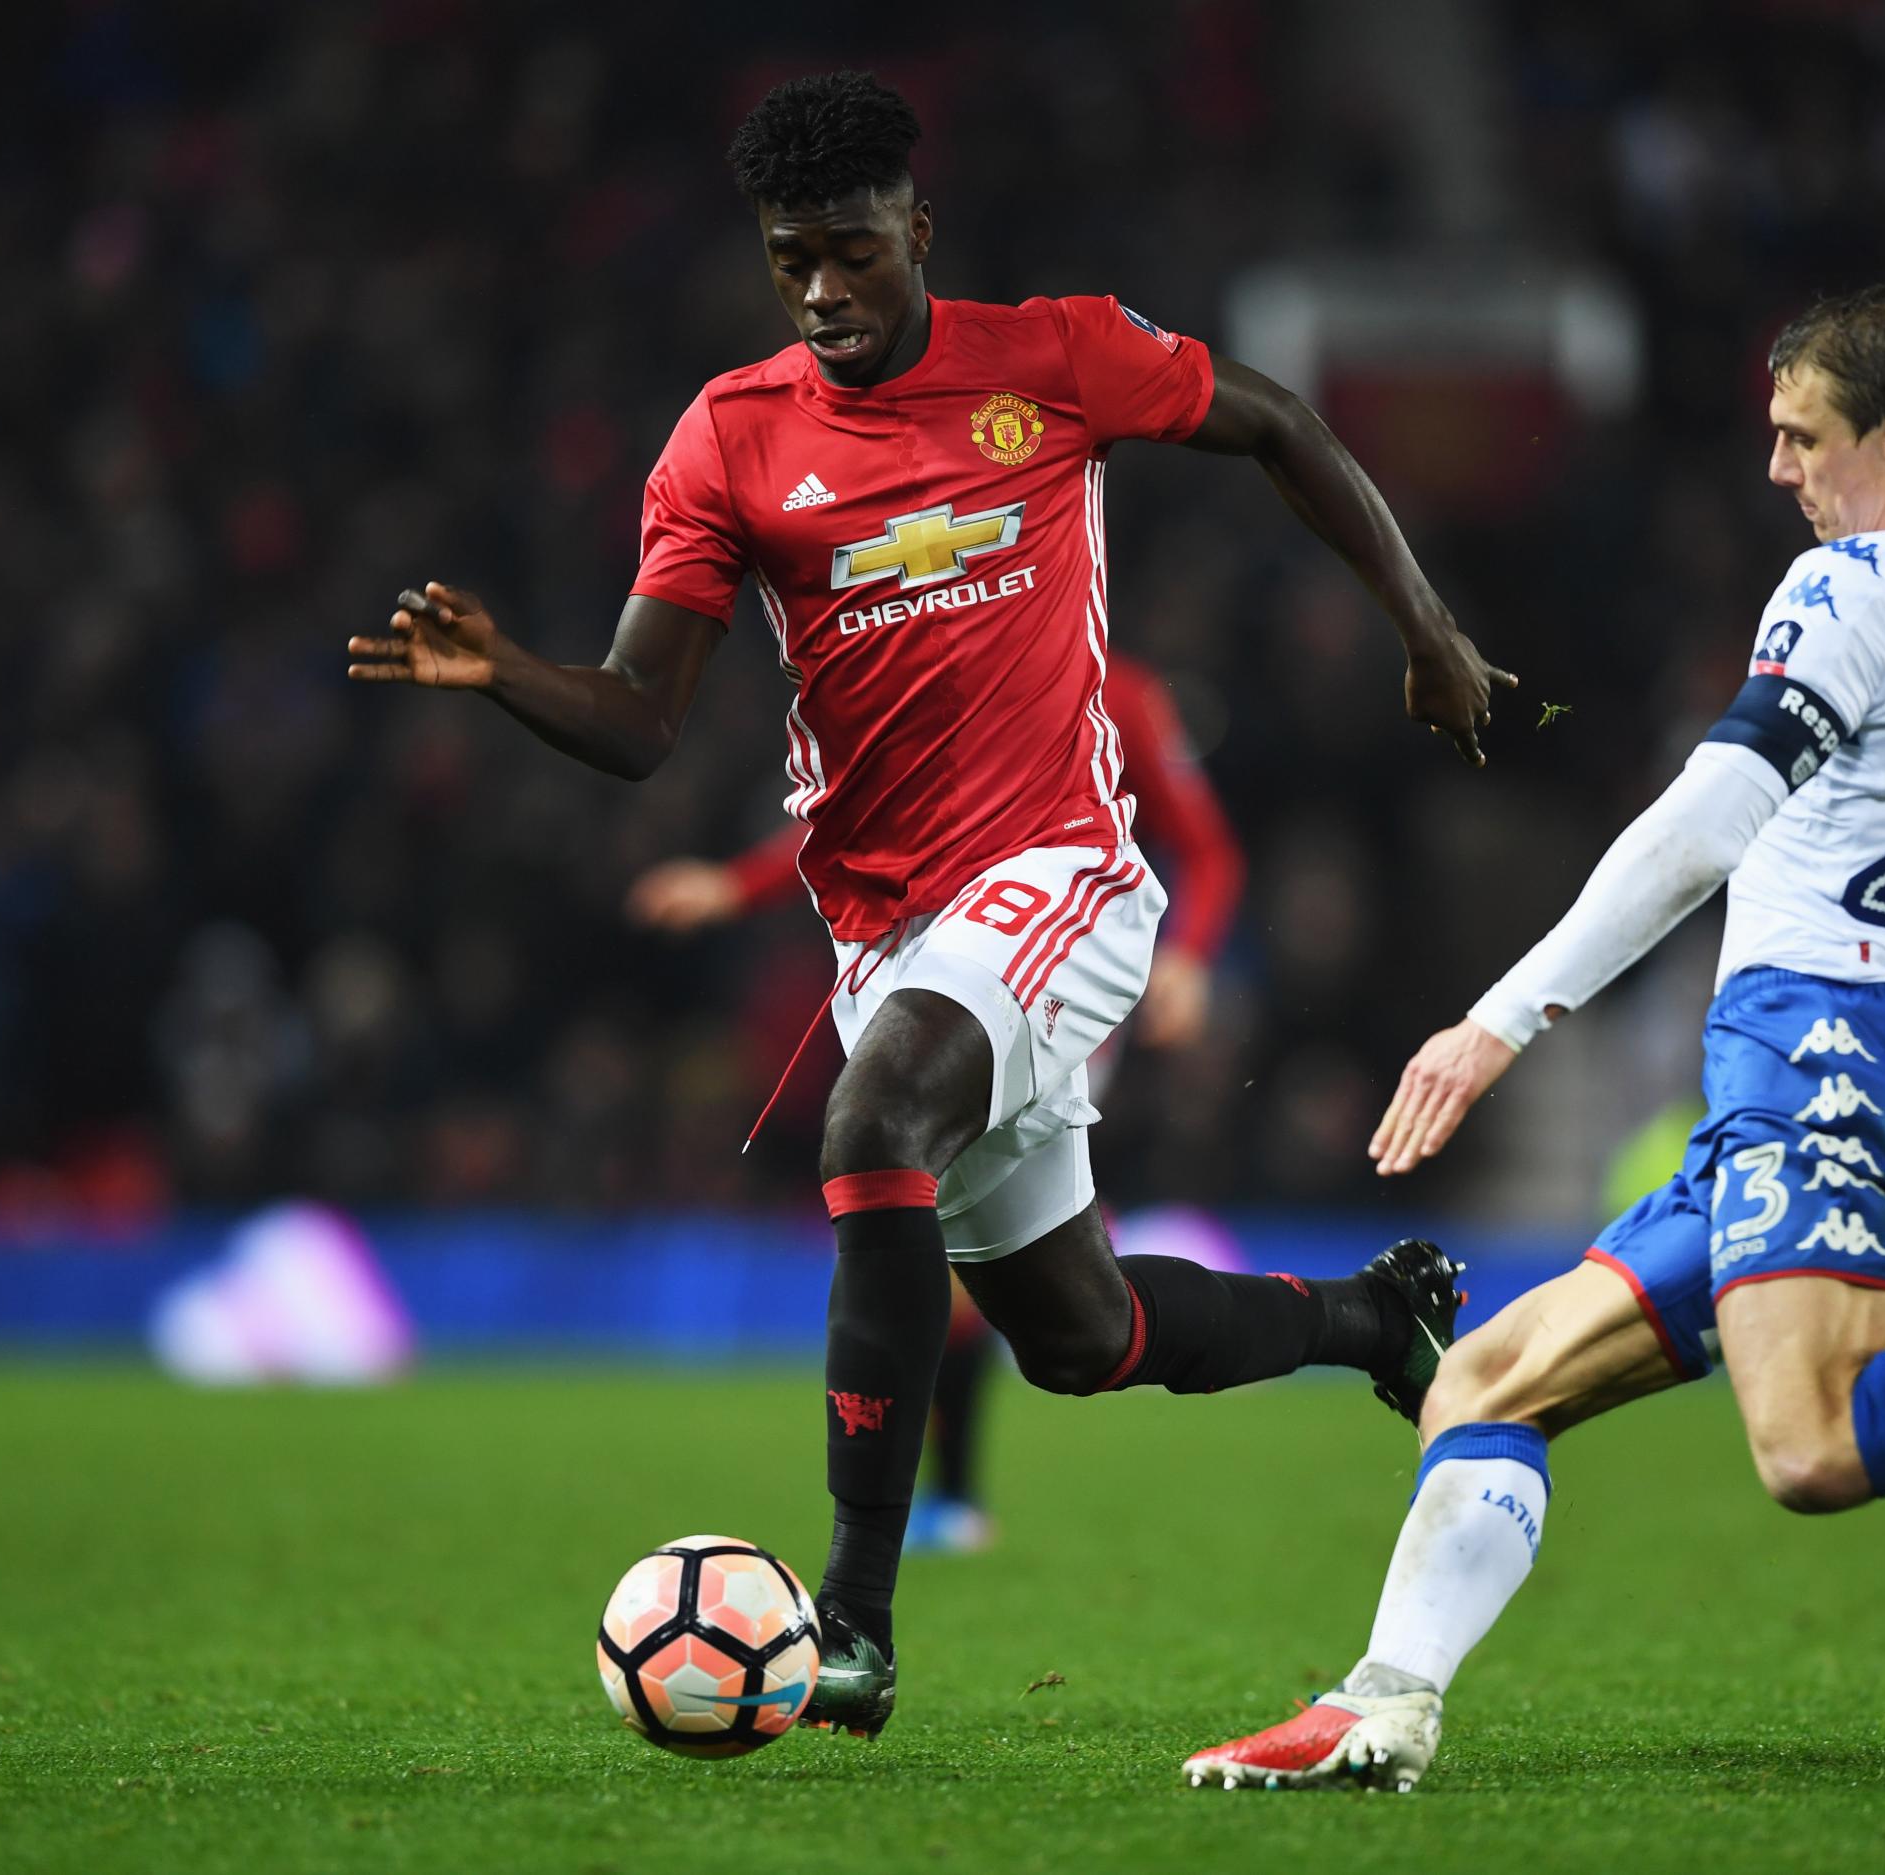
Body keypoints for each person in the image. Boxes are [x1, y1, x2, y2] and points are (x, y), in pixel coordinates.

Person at [346, 70, 1501, 1738]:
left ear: (918, 233)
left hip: (1064, 877)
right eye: (791, 259)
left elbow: (1282, 426)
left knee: (870, 1122)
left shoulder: (1052, 358)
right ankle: (1374, 1316)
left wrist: (1427, 627)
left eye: (853, 253)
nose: (824, 290)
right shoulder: (730, 437)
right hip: (888, 929)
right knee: (1077, 1335)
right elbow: (639, 721)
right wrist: (508, 672)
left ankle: (853, 1625)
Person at [1183, 288, 1885, 1793]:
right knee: (1486, 1384)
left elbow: (1711, 821)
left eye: (1806, 438)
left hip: (1825, 1046)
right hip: (1832, 1054)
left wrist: (1498, 1017)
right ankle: (1385, 1699)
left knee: (1815, 1449)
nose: (1782, 470)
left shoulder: (1852, 588)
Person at [626, 647, 1248, 1552]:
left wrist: (1188, 956)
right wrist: (734, 886)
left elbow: (1206, 847)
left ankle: (940, 1502)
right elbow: (856, 820)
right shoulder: (960, 663)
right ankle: (950, 1494)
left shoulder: (1124, 693)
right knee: (1021, 1284)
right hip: (936, 973)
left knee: (950, 1238)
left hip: (1047, 979)